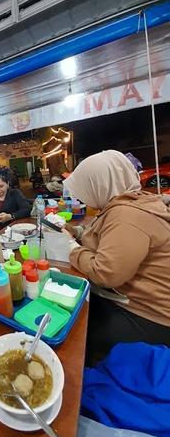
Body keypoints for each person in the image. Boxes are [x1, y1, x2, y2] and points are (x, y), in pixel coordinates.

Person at [63, 150, 170, 364]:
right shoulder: (130, 202)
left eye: (86, 187)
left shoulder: (126, 215)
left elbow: (106, 273)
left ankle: (82, 387)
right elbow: (110, 239)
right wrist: (78, 233)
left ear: (100, 185)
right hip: (137, 301)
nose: (80, 196)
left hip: (151, 315)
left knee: (75, 334)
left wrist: (70, 248)